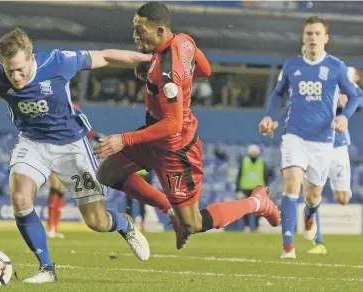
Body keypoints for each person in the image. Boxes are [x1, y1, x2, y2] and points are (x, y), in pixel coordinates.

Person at [0, 27, 152, 284]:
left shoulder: (57, 61)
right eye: (10, 71)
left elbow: (105, 57)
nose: (16, 76)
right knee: (20, 198)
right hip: (32, 143)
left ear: (32, 58)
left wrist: (146, 60)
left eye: (20, 69)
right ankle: (47, 268)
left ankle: (123, 225)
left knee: (97, 222)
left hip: (71, 145)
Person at [95, 1, 280, 250]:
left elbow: (173, 124)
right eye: (134, 29)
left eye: (141, 30)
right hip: (153, 137)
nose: (135, 35)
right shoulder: (184, 41)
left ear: (160, 31)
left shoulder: (168, 71)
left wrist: (123, 139)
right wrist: (155, 72)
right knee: (107, 174)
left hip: (176, 148)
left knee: (192, 223)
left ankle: (257, 202)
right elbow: (205, 69)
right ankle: (169, 209)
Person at [259, 16, 363, 259]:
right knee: (291, 184)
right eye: (309, 34)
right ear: (303, 38)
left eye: (317, 34)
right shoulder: (291, 66)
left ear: (325, 39)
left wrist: (345, 116)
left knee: (314, 195)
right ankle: (288, 247)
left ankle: (309, 215)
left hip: (323, 140)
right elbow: (278, 95)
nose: (313, 38)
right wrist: (268, 116)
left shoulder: (336, 67)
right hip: (295, 135)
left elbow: (355, 96)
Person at [305, 69, 363, 255]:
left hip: (338, 146)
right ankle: (318, 239)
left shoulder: (349, 89)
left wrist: (345, 107)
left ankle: (312, 207)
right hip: (317, 145)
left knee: (343, 198)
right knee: (315, 193)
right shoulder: (316, 84)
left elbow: (359, 99)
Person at [46, 101, 103, 239]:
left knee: (60, 189)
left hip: (68, 151)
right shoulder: (53, 107)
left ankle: (55, 226)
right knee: (55, 186)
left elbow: (83, 127)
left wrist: (95, 136)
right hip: (54, 149)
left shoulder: (72, 106)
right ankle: (50, 227)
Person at [236, 144, 271, 232]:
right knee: (245, 208)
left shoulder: (262, 162)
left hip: (258, 189)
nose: (253, 153)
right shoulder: (244, 161)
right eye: (252, 151)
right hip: (245, 188)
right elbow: (239, 175)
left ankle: (256, 226)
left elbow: (265, 176)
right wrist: (238, 188)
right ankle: (247, 226)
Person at [46, 172, 67, 239]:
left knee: (60, 192)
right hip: (54, 165)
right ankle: (50, 227)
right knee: (54, 188)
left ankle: (55, 228)